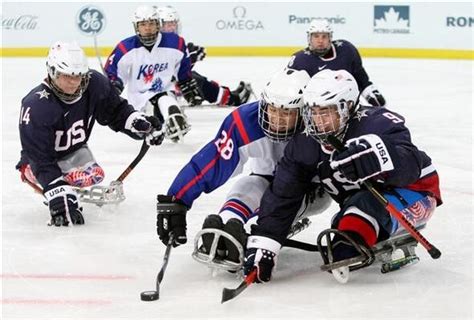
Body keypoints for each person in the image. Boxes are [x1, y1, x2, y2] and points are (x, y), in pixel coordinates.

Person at [242, 69, 442, 283]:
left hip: (416, 193)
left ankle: (355, 231)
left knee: (361, 209)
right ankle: (353, 230)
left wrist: (377, 156)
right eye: (313, 112)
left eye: (326, 112)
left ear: (346, 107)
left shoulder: (377, 123)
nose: (318, 121)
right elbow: (284, 193)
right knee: (349, 216)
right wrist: (265, 242)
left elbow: (410, 164)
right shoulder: (304, 144)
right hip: (359, 203)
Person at [154, 69, 331, 265]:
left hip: (310, 189)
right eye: (273, 109)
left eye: (287, 112)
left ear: (304, 111)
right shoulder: (245, 121)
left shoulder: (321, 126)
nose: (277, 120)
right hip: (266, 179)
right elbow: (212, 162)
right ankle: (227, 226)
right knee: (248, 183)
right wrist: (177, 199)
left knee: (284, 191)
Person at [17, 41, 164, 227]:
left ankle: (65, 179)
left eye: (78, 76)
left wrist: (139, 124)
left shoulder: (94, 83)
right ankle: (48, 179)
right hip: (38, 160)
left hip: (75, 151)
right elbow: (38, 156)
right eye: (65, 75)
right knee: (55, 181)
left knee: (94, 175)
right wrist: (56, 189)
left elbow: (116, 112)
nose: (73, 82)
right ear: (52, 72)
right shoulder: (36, 105)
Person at [104, 5, 202, 142]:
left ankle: (172, 115)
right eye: (143, 24)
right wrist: (113, 87)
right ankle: (166, 122)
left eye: (151, 23)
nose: (148, 28)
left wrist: (186, 83)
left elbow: (182, 66)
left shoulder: (175, 43)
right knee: (149, 126)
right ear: (136, 27)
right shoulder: (125, 48)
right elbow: (113, 72)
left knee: (165, 98)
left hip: (165, 92)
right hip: (139, 101)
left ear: (158, 25)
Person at [156, 5, 254, 107]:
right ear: (159, 26)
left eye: (174, 24)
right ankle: (232, 99)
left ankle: (228, 96)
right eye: (168, 24)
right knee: (196, 80)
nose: (173, 27)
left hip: (165, 85)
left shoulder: (174, 43)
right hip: (159, 89)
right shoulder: (155, 45)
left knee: (196, 76)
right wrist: (191, 59)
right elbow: (167, 73)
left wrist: (190, 56)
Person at [287, 19, 386, 107]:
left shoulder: (346, 50)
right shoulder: (299, 60)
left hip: (347, 107)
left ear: (330, 38)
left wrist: (370, 92)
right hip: (316, 110)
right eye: (316, 36)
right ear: (309, 38)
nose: (320, 41)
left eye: (324, 36)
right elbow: (289, 89)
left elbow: (360, 78)